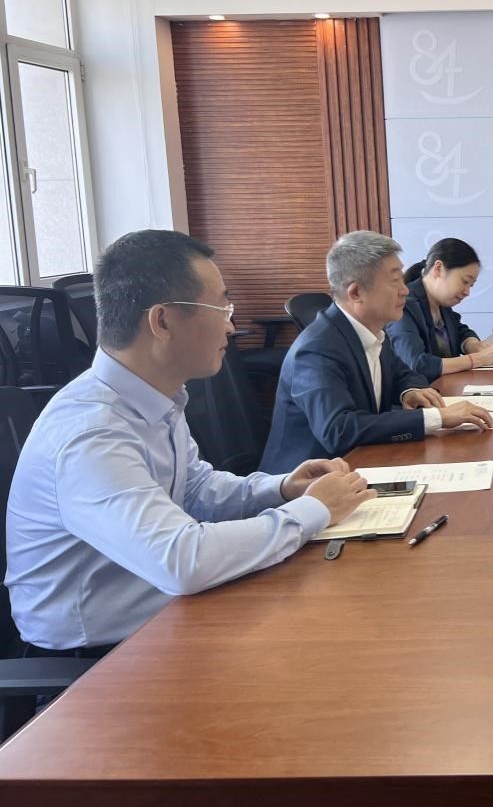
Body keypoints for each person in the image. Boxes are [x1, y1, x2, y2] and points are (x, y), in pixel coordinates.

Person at [4, 230, 374, 654]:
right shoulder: (91, 431)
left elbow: (195, 490)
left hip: (167, 616)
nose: (231, 326)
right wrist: (313, 510)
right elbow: (182, 561)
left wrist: (284, 488)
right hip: (97, 660)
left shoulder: (153, 396)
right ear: (162, 321)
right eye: (222, 308)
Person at [261, 231, 493, 474]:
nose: (405, 290)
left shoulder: (372, 332)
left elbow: (403, 373)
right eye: (395, 281)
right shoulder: (316, 349)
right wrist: (438, 418)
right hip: (307, 484)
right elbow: (338, 429)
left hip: (358, 465)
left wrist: (411, 391)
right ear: (356, 293)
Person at [386, 238, 493, 379]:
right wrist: (478, 359)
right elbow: (417, 364)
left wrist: (472, 344)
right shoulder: (404, 305)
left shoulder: (441, 304)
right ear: (438, 269)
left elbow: (460, 330)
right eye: (465, 282)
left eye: (471, 285)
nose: (467, 292)